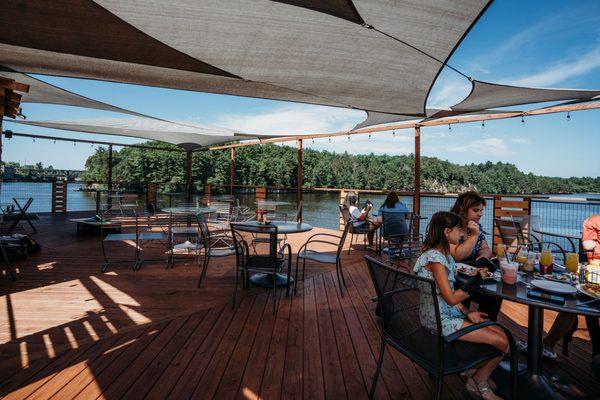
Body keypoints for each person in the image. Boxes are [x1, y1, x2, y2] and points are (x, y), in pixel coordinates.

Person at [414, 211, 508, 399]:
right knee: (503, 342)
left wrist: (467, 312)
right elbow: (450, 298)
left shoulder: (442, 255)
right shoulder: (436, 259)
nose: (463, 235)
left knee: (503, 334)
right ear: (447, 232)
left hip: (441, 313)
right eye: (460, 230)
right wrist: (474, 280)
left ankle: (474, 374)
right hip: (439, 320)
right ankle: (479, 382)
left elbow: (444, 295)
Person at [450, 191, 502, 320]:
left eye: (481, 210)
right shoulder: (451, 227)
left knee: (494, 295)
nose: (480, 214)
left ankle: (484, 323)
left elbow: (485, 248)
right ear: (463, 210)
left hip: (470, 276)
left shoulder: (476, 227)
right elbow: (458, 256)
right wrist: (474, 235)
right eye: (475, 210)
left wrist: (483, 257)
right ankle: (462, 322)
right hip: (451, 280)